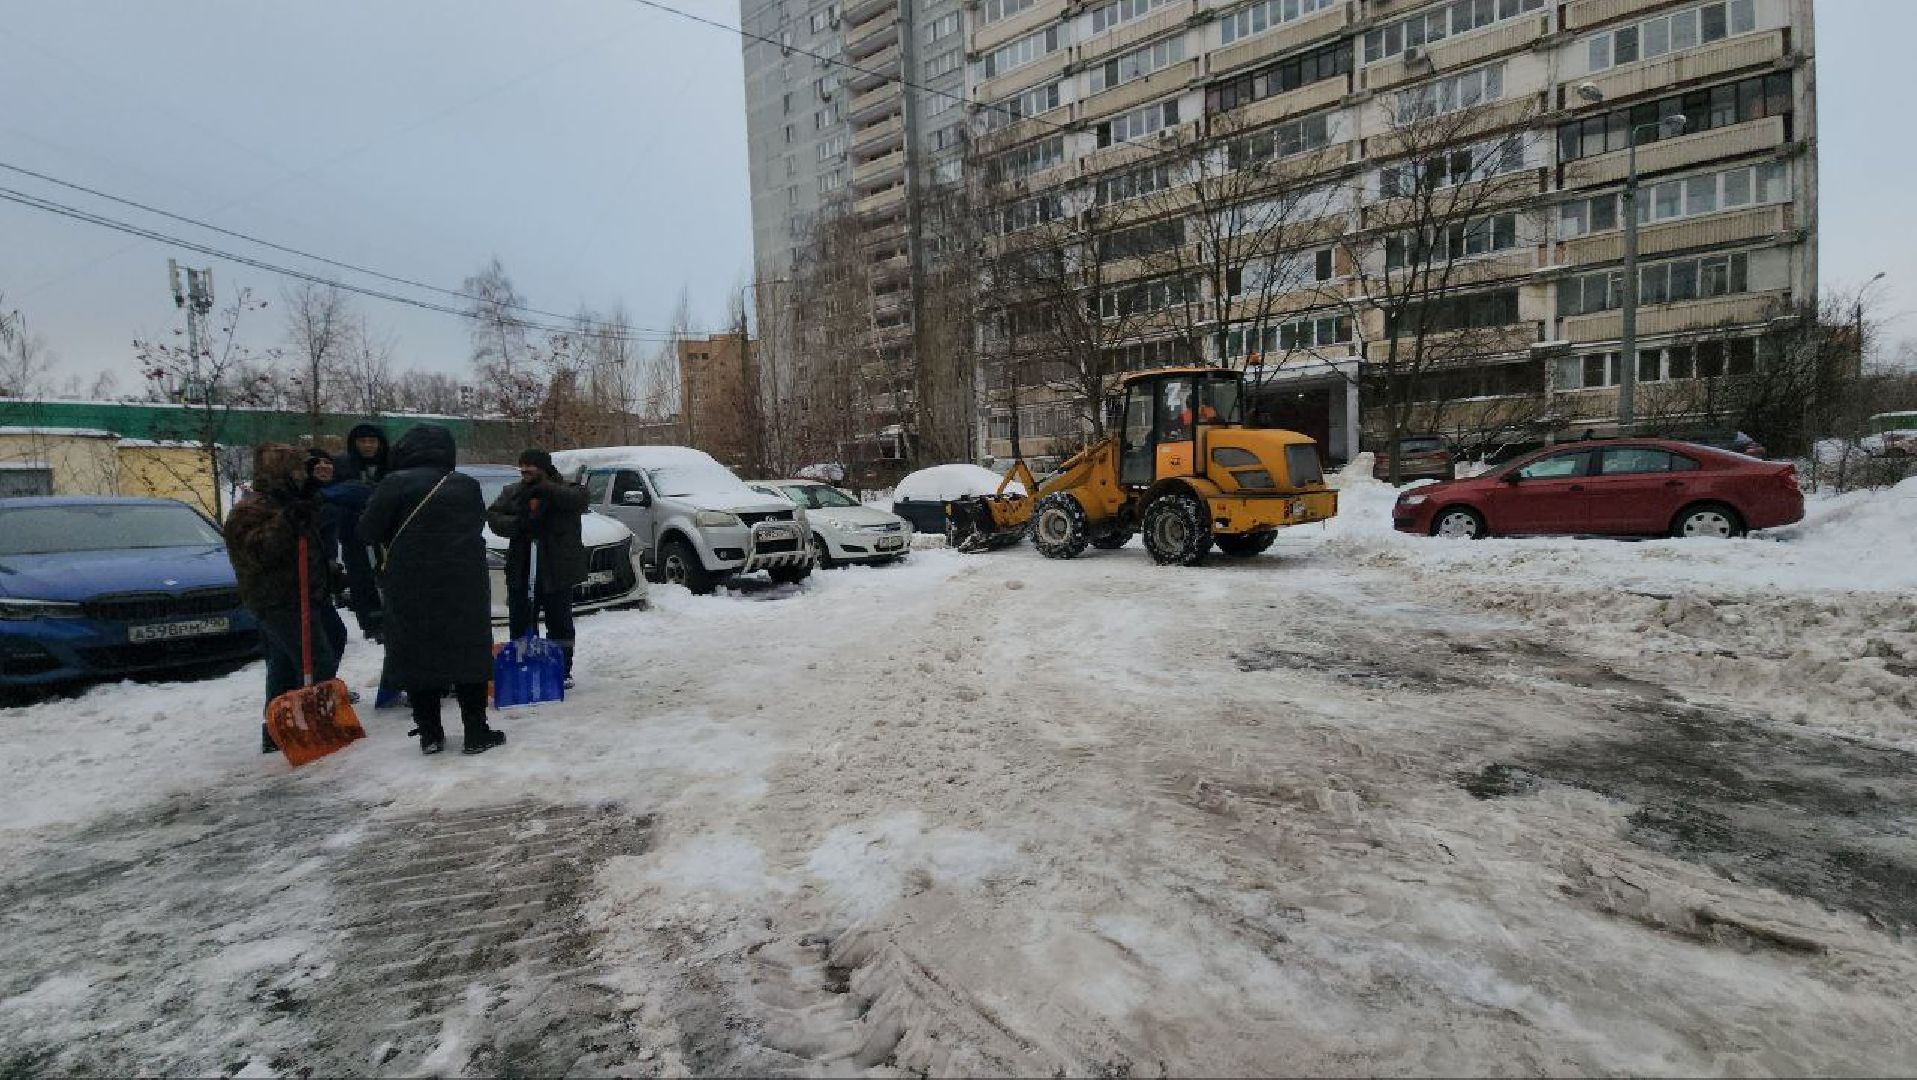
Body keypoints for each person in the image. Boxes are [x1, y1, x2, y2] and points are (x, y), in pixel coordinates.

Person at [358, 425, 505, 756]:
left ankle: (430, 734)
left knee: (417, 650)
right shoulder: (466, 485)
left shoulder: (393, 484)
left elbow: (367, 530)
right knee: (469, 650)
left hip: (410, 584)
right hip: (464, 581)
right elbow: (476, 525)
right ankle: (476, 731)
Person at [225, 444, 340, 754]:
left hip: (300, 596)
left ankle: (277, 731)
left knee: (284, 666)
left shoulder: (291, 503)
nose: (305, 475)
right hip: (279, 601)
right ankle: (313, 727)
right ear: (281, 474)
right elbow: (258, 552)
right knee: (317, 663)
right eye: (299, 470)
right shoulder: (251, 510)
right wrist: (287, 522)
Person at [487, 448, 589, 685]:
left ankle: (561, 668)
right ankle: (524, 664)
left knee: (560, 623)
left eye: (530, 467)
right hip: (521, 569)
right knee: (521, 622)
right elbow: (493, 517)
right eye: (521, 467)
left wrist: (546, 490)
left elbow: (579, 501)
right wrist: (519, 523)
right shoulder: (513, 493)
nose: (524, 471)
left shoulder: (569, 491)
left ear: (544, 468)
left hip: (557, 570)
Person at [329, 423, 389, 640]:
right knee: (361, 580)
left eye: (372, 441)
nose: (368, 445)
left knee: (388, 577)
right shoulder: (342, 466)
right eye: (362, 441)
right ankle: (371, 622)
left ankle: (390, 618)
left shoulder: (390, 465)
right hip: (353, 535)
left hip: (386, 536)